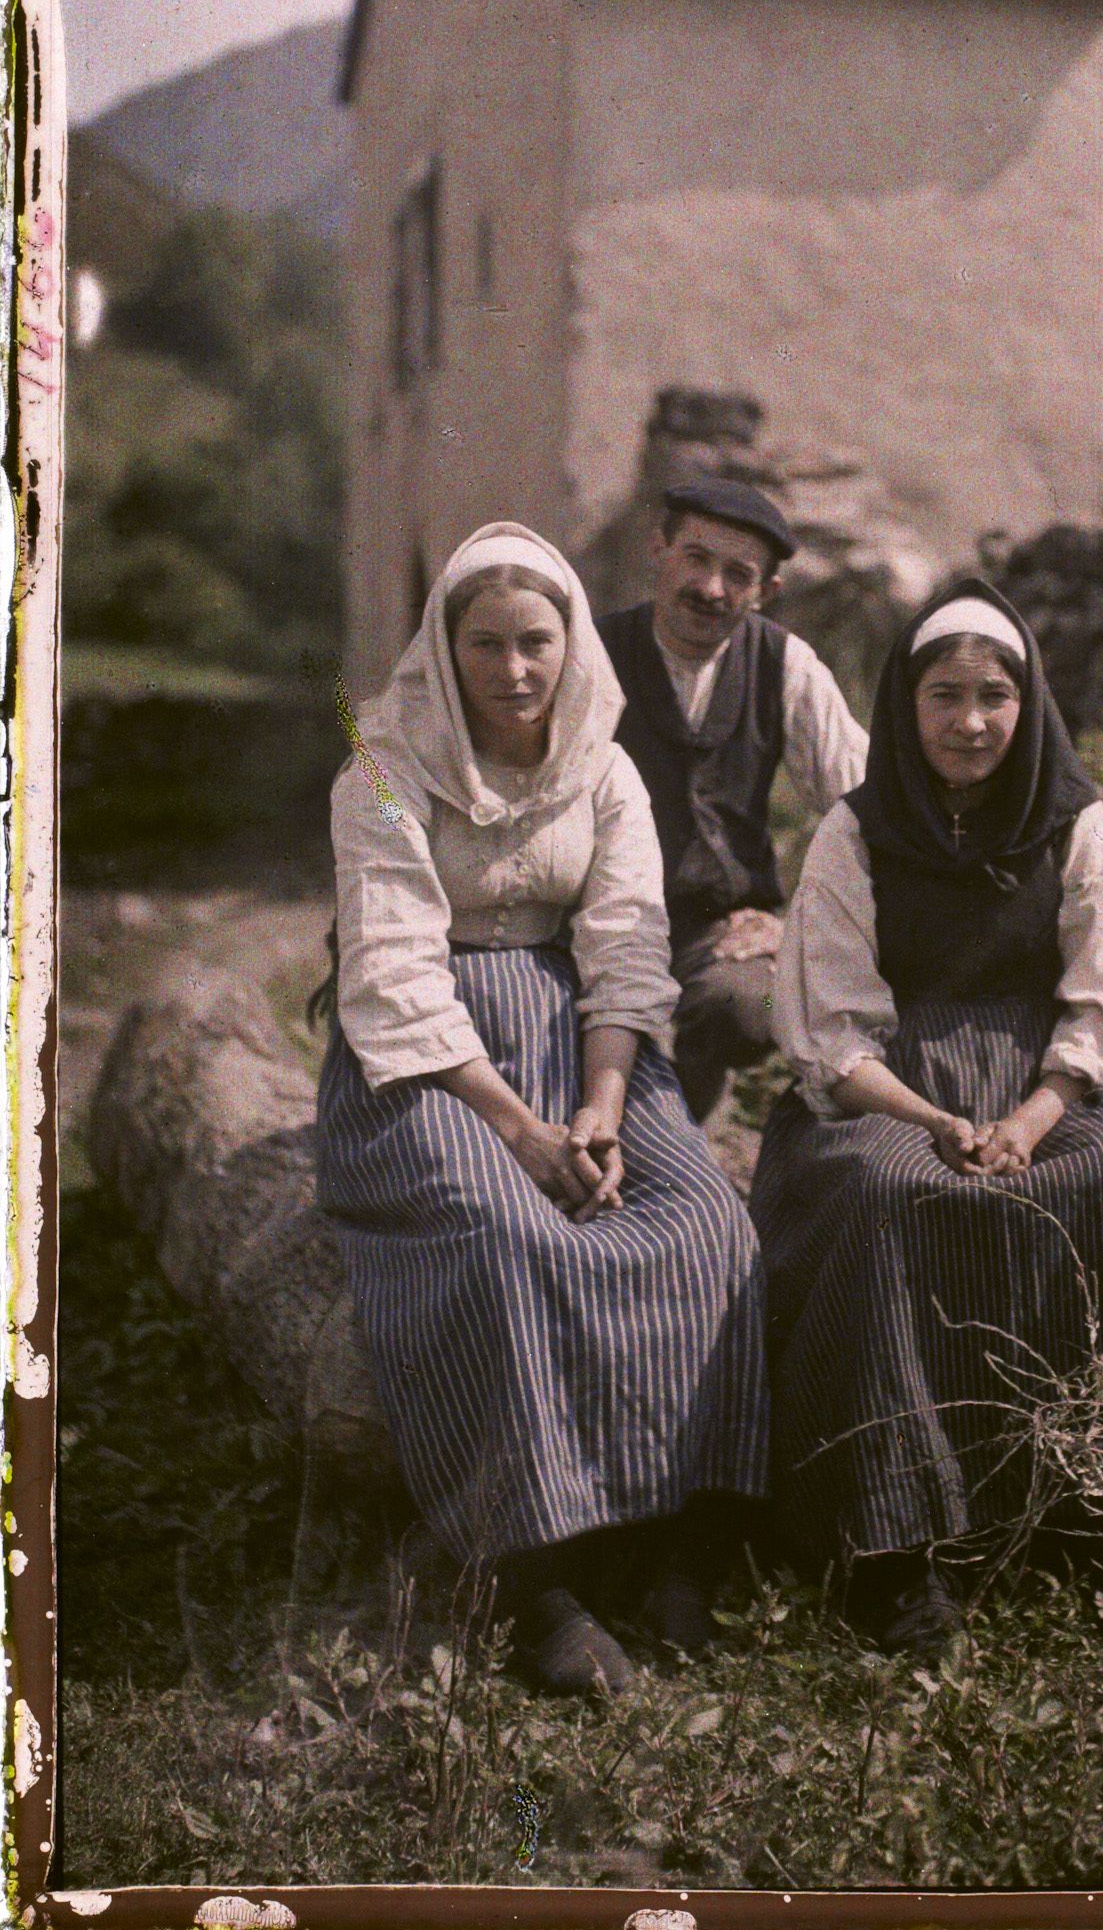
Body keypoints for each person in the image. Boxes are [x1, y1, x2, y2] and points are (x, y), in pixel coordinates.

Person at [315, 523, 769, 1698]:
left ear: (571, 646)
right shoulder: (382, 764)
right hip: (429, 1064)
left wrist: (606, 1101)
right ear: (444, 648)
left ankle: (675, 1537)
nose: (514, 671)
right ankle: (534, 1576)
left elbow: (624, 942)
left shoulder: (605, 766)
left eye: (536, 643)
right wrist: (520, 1131)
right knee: (504, 1239)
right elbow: (393, 975)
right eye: (486, 644)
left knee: (705, 1225)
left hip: (580, 1042)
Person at [748, 577, 1103, 1657]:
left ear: (1025, 701)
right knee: (888, 1190)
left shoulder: (1073, 820)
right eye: (942, 695)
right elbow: (829, 1031)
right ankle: (891, 1549)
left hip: (1056, 1080)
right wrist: (936, 1117)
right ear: (904, 707)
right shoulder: (854, 834)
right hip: (891, 1084)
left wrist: (1034, 1117)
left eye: (992, 695)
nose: (969, 721)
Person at [596, 476, 868, 1121]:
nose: (710, 589)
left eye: (737, 574)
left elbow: (868, 811)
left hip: (720, 928)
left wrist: (796, 922)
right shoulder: (591, 654)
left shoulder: (786, 666)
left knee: (754, 1007)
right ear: (658, 550)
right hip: (594, 915)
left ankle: (691, 1126)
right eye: (695, 557)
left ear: (766, 593)